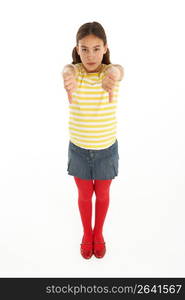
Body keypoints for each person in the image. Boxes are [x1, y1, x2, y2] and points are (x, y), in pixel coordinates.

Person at [61, 21, 124, 259]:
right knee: (85, 195)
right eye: (84, 49)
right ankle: (87, 234)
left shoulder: (110, 74)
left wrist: (115, 72)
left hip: (106, 150)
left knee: (104, 194)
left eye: (96, 48)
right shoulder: (74, 73)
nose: (90, 55)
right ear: (77, 49)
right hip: (78, 149)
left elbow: (119, 69)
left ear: (105, 48)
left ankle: (99, 233)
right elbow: (67, 69)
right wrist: (67, 74)